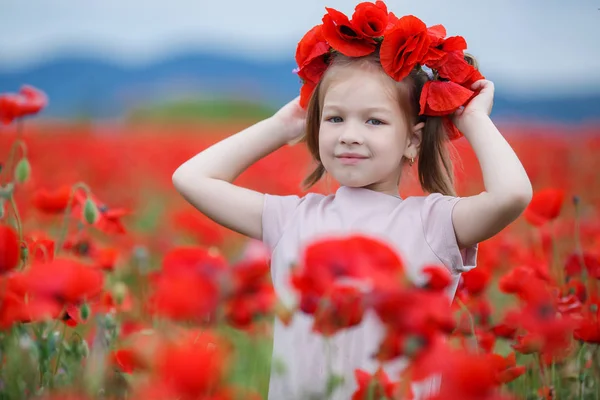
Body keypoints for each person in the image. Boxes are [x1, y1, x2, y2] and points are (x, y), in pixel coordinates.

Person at [172, 2, 533, 399]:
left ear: (412, 140)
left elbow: (511, 195)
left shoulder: (433, 224)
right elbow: (191, 178)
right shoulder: (292, 218)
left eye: (374, 121)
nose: (349, 134)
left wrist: (472, 117)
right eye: (335, 118)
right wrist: (281, 126)